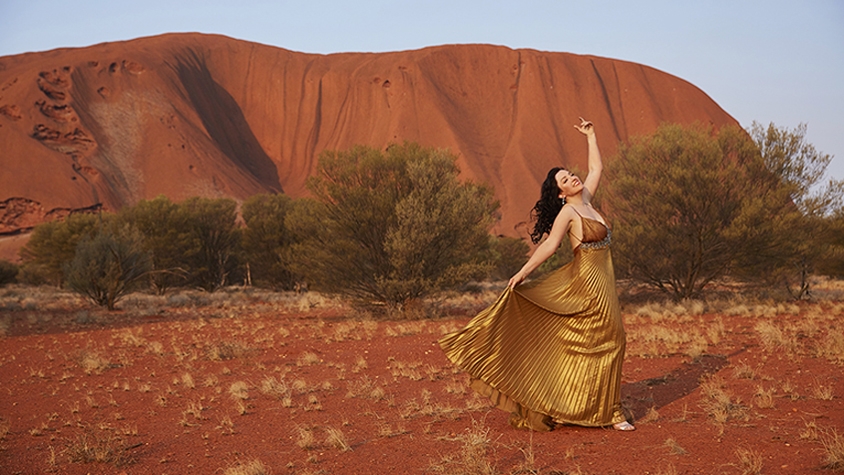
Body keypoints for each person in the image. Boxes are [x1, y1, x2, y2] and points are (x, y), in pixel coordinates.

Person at [439, 117, 634, 432]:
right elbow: (549, 246)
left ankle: (585, 404)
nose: (572, 178)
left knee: (610, 340)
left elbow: (597, 170)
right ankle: (611, 413)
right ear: (559, 194)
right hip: (585, 284)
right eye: (565, 180)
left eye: (571, 174)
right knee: (608, 340)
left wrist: (591, 136)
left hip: (605, 283)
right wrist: (522, 272)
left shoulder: (586, 201)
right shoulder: (569, 213)